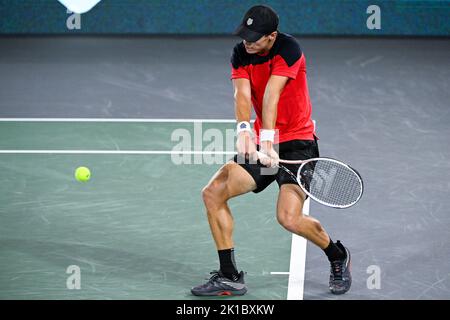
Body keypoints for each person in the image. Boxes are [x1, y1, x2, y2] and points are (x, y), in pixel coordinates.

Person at [191, 4, 351, 296]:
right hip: (264, 143)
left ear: (272, 36)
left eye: (254, 38)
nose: (247, 42)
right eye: (245, 36)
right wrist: (243, 132)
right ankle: (229, 276)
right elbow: (241, 94)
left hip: (297, 143)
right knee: (213, 192)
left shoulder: (289, 49)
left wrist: (266, 142)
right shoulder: (242, 52)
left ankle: (336, 254)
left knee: (289, 218)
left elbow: (271, 95)